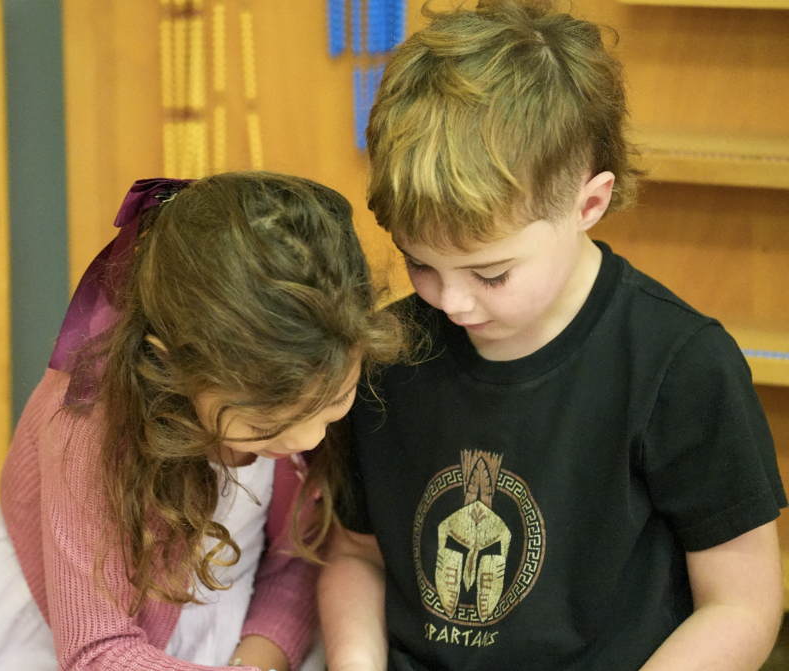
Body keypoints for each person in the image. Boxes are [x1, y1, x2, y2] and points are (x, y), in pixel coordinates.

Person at [318, 1, 787, 670]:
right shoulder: (387, 354)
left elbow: (740, 603)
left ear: (588, 205)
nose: (450, 300)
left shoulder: (679, 363)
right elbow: (357, 553)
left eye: (492, 272)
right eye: (420, 263)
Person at [0, 172, 406, 671]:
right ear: (170, 367)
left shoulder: (309, 365)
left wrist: (258, 659)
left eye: (335, 403)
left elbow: (294, 559)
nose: (309, 437)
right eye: (266, 427)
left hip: (225, 630)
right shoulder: (85, 424)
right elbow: (97, 650)